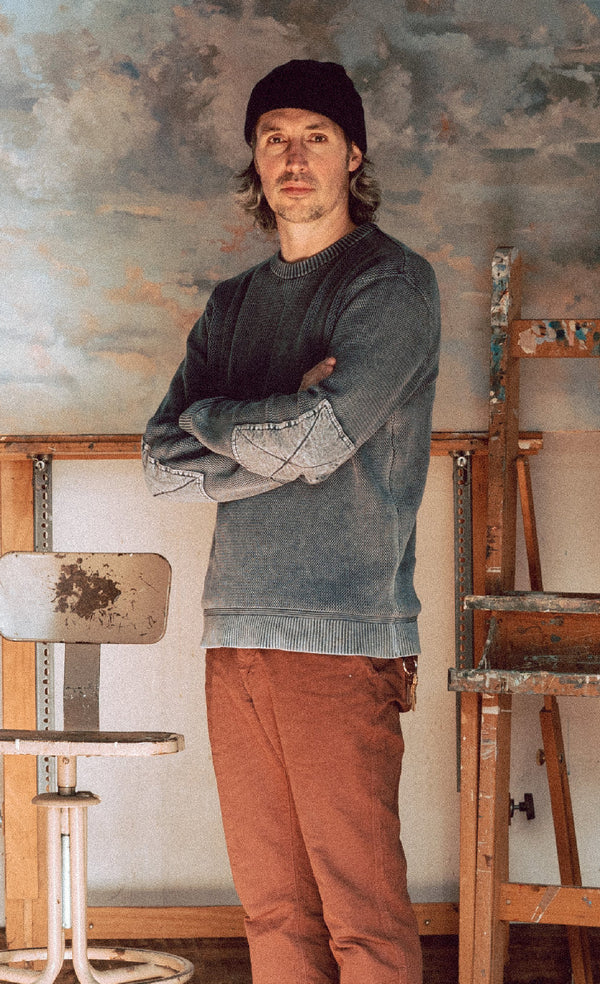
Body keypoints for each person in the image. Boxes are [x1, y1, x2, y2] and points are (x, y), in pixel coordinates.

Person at [142, 59, 440, 984]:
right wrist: (255, 416)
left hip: (343, 632)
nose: (294, 156)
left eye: (315, 136)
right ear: (256, 163)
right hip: (234, 629)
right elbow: (161, 464)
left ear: (354, 153)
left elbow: (316, 441)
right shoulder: (233, 303)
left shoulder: (390, 284)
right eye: (275, 138)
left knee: (362, 915)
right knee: (271, 910)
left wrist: (218, 416)